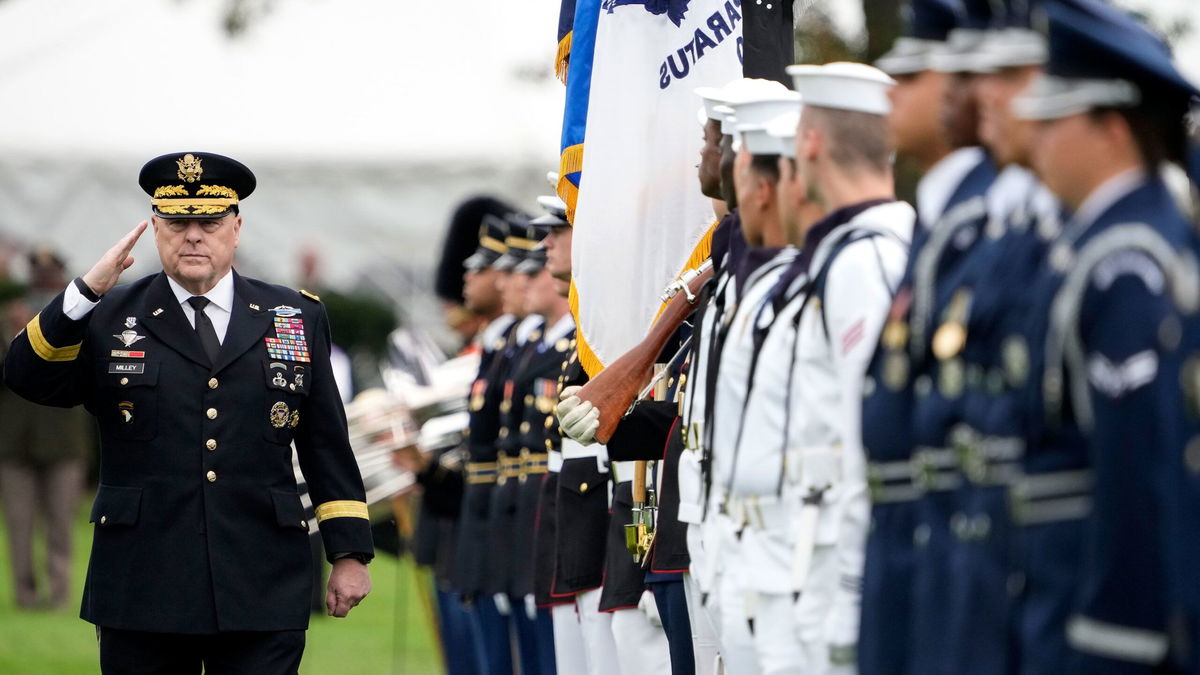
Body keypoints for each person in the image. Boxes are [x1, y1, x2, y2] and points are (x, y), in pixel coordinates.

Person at [3, 151, 373, 674]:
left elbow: (325, 444)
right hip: (143, 580)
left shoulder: (293, 315)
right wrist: (84, 292)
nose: (193, 235)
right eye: (178, 221)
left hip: (261, 578)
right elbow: (25, 376)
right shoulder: (110, 314)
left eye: (210, 221)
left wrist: (350, 553)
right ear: (155, 227)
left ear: (237, 228)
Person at [1006, 0, 1199, 670]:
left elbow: (1138, 470)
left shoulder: (1125, 265)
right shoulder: (1101, 244)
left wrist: (1117, 642)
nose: (1037, 139)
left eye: (1054, 120)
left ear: (1112, 128)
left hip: (1103, 629)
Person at [776, 61, 914, 673]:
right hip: (816, 558)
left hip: (841, 568)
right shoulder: (849, 251)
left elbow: (870, 439)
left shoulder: (864, 260)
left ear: (810, 143)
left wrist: (853, 591)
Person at [0, 249, 93, 610]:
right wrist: (14, 336)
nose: (43, 281)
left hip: (63, 443)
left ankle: (58, 594)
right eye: (37, 275)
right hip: (13, 443)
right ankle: (25, 594)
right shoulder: (9, 316)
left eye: (49, 275)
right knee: (19, 525)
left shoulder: (78, 320)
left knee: (60, 526)